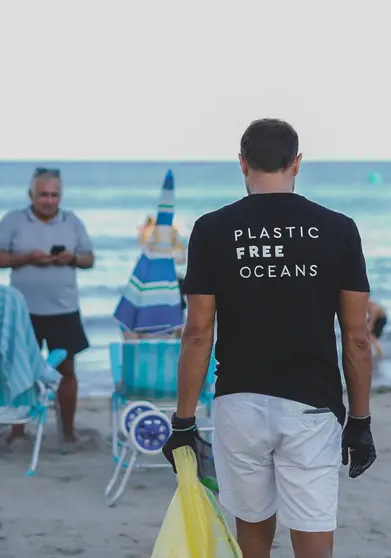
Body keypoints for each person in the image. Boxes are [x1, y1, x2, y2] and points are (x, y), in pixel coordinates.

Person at [160, 119, 376, 558]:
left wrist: (183, 421)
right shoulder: (338, 229)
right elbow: (356, 337)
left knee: (252, 536)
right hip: (312, 408)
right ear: (297, 163)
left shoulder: (211, 229)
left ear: (242, 164)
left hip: (239, 404)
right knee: (313, 535)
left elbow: (198, 334)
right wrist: (361, 420)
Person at [0, 167, 95, 444]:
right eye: (44, 194)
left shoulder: (72, 222)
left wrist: (70, 258)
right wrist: (27, 258)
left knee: (68, 372)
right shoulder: (13, 220)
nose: (49, 200)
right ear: (31, 194)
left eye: (55, 195)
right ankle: (17, 430)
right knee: (18, 371)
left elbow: (89, 259)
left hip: (64, 310)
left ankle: (67, 432)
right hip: (24, 312)